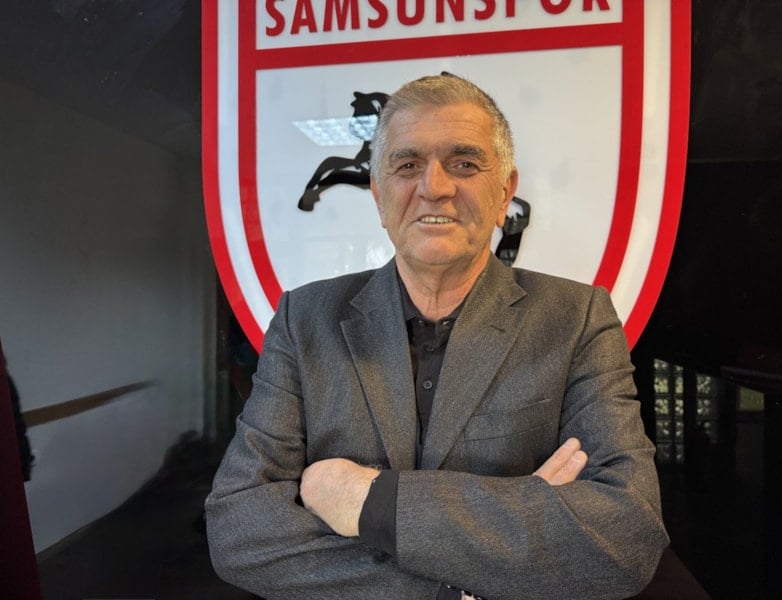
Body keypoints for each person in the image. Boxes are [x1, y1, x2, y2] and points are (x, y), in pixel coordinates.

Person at [205, 73, 668, 600]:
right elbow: (238, 529)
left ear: (505, 192)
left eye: (465, 163)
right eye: (407, 166)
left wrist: (368, 500)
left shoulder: (576, 318)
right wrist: (469, 577)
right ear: (378, 196)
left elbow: (625, 537)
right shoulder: (304, 319)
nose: (435, 187)